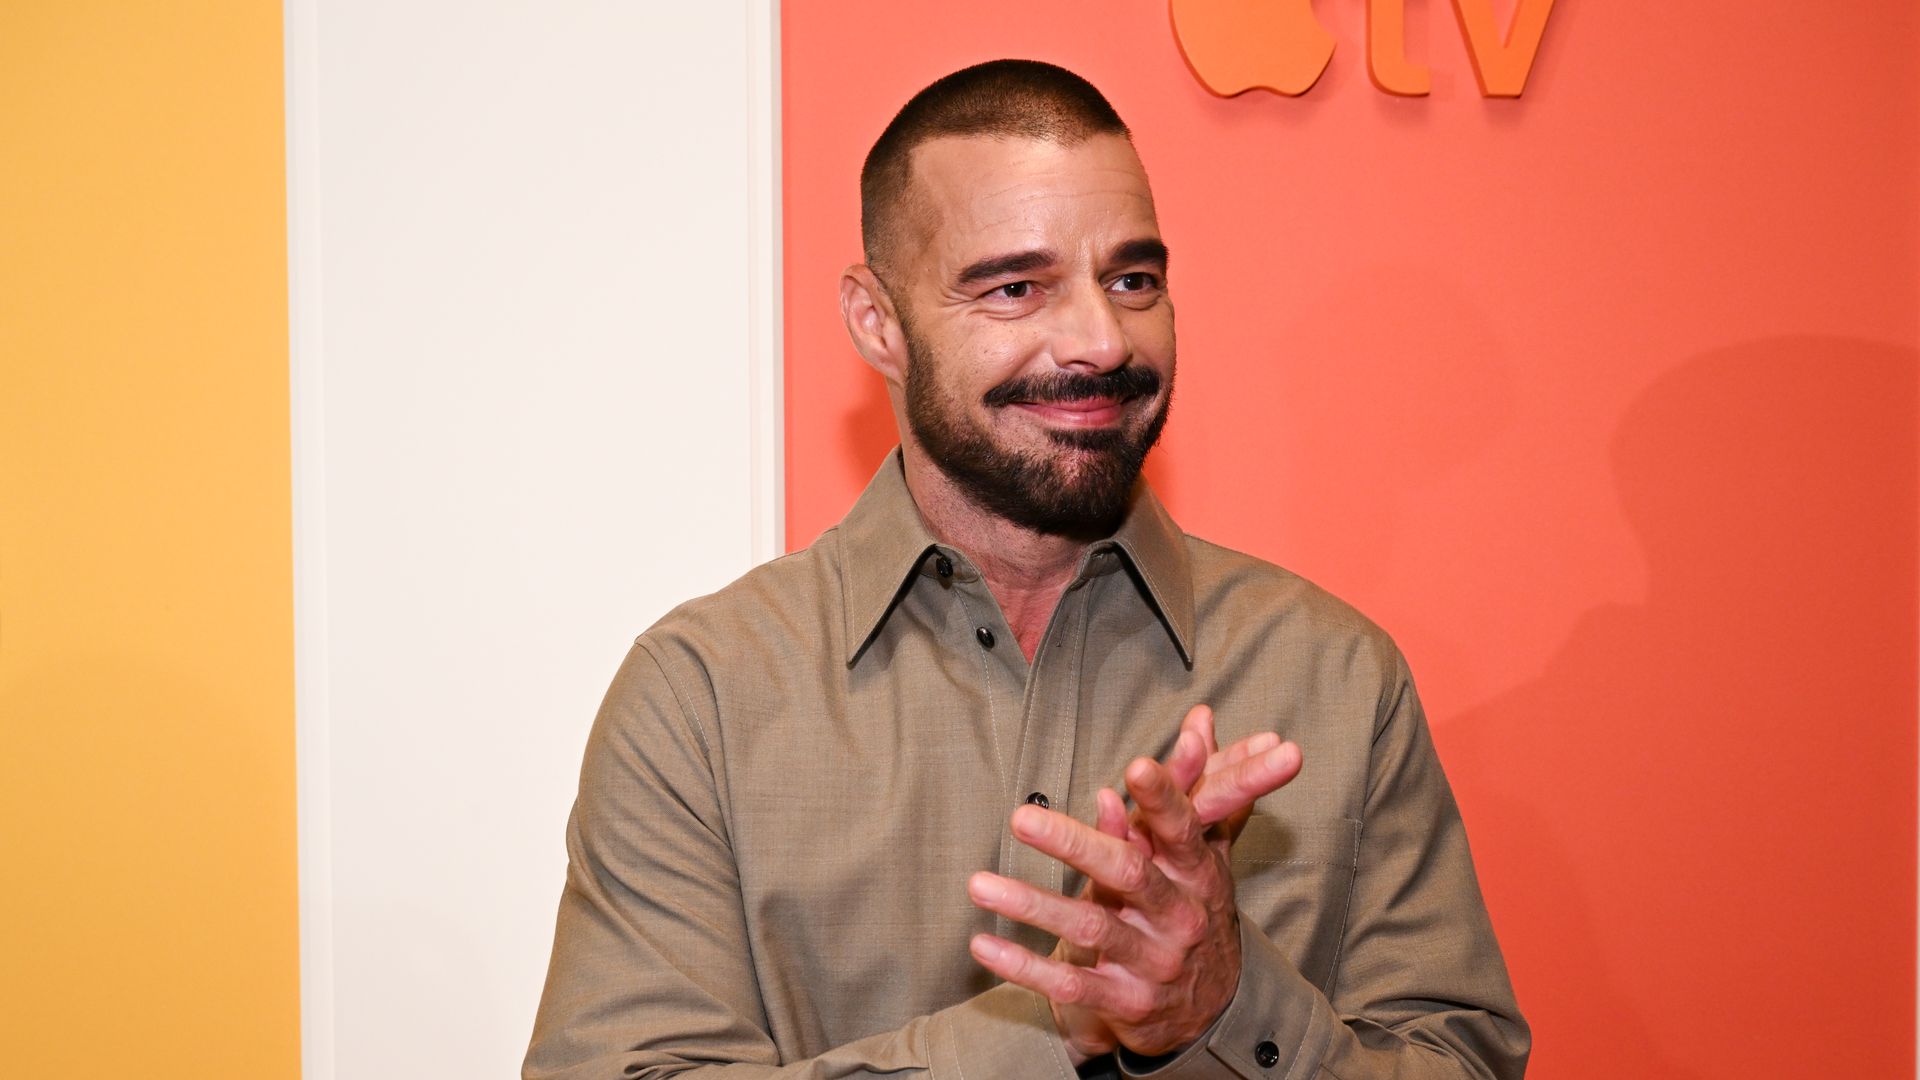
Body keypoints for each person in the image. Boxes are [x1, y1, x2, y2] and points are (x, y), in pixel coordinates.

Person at [525, 59, 1527, 1080]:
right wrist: (1060, 1027)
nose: (1099, 339)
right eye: (1016, 287)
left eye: (1132, 280)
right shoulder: (702, 695)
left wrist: (1227, 1003)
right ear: (878, 323)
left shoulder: (1337, 678)